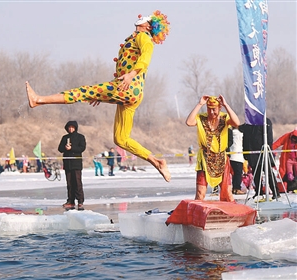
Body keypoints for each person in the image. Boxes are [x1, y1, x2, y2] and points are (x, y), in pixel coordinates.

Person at [25, 11, 171, 182]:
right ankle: (157, 161)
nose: (141, 18)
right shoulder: (134, 38)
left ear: (148, 26)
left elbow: (146, 56)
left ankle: (39, 100)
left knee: (84, 92)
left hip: (129, 88)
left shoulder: (143, 37)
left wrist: (131, 75)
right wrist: (102, 94)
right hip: (130, 92)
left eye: (146, 20)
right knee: (121, 139)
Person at [185, 95, 240, 202]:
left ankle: (229, 214)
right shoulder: (201, 118)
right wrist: (200, 104)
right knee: (200, 193)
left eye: (214, 109)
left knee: (227, 192)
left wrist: (226, 105)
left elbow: (237, 122)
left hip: (221, 159)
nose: (211, 112)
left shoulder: (224, 118)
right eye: (209, 109)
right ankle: (197, 215)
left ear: (219, 108)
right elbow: (189, 122)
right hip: (205, 160)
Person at [239, 118, 280, 199]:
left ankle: (275, 192)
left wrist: (268, 150)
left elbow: (269, 138)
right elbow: (245, 138)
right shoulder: (248, 124)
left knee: (268, 173)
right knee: (256, 174)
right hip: (253, 153)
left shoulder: (266, 121)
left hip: (264, 152)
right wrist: (245, 151)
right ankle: (258, 192)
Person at [58, 121, 86, 211]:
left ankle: (80, 201)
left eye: (72, 127)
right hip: (67, 164)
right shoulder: (65, 137)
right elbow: (60, 149)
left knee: (77, 183)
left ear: (75, 128)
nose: (71, 129)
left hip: (76, 164)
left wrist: (72, 148)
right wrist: (65, 147)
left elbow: (82, 148)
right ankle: (70, 201)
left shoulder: (80, 137)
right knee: (69, 183)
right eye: (69, 127)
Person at [272, 127, 297, 192]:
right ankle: (291, 187)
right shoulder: (287, 136)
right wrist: (270, 149)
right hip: (288, 160)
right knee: (289, 176)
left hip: (296, 160)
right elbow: (278, 143)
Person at [229, 127, 246, 194]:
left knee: (234, 174)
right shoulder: (240, 134)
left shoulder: (230, 133)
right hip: (238, 156)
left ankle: (234, 188)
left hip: (231, 155)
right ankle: (237, 188)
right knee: (238, 174)